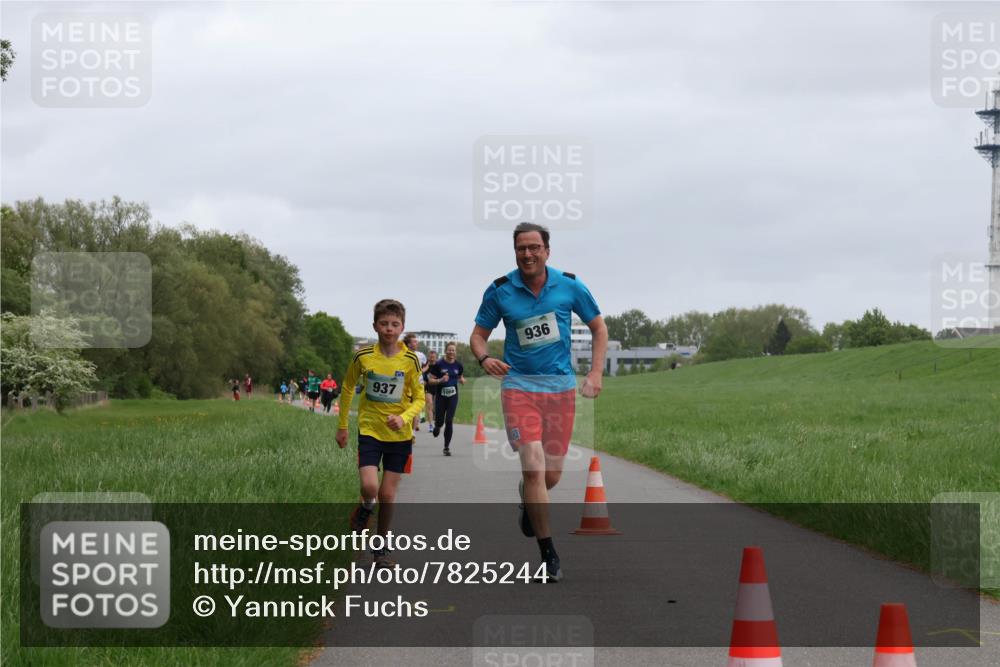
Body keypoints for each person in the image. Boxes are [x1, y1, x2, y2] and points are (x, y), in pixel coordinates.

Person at [470, 222, 608, 583]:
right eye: (521, 249)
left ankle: (528, 499)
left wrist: (595, 373)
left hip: (560, 390)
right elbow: (478, 336)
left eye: (534, 247)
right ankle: (549, 555)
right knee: (533, 467)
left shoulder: (570, 286)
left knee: (551, 475)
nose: (527, 254)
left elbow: (599, 327)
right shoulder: (500, 291)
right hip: (519, 388)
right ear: (515, 252)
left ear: (547, 250)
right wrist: (485, 358)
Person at [338, 299, 425, 568]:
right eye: (384, 324)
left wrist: (404, 418)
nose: (389, 329)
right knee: (369, 487)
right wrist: (342, 426)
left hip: (399, 436)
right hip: (370, 430)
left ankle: (381, 550)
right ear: (375, 325)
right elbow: (347, 388)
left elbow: (420, 399)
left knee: (387, 495)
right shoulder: (363, 357)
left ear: (402, 328)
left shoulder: (410, 360)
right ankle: (364, 510)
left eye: (394, 324)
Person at [428, 343, 464, 456]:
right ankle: (438, 426)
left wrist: (462, 380)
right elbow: (430, 380)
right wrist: (440, 380)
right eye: (449, 350)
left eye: (453, 350)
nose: (451, 352)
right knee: (440, 420)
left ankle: (446, 447)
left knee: (449, 420)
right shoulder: (439, 364)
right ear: (445, 351)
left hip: (453, 396)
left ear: (455, 352)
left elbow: (460, 376)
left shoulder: (459, 365)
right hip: (441, 397)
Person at [403, 333, 427, 431]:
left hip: (417, 384)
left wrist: (420, 372)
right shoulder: (403, 355)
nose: (416, 343)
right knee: (406, 407)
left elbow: (426, 365)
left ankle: (412, 432)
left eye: (416, 341)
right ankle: (407, 428)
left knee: (416, 407)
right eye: (414, 341)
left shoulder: (421, 355)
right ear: (409, 344)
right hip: (405, 385)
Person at [422, 349, 439, 431]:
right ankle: (430, 425)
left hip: (438, 388)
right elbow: (421, 376)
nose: (432, 359)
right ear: (428, 357)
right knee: (429, 405)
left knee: (438, 407)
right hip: (428, 388)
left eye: (433, 357)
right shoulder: (425, 366)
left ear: (436, 358)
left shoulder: (439, 366)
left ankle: (437, 422)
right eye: (430, 357)